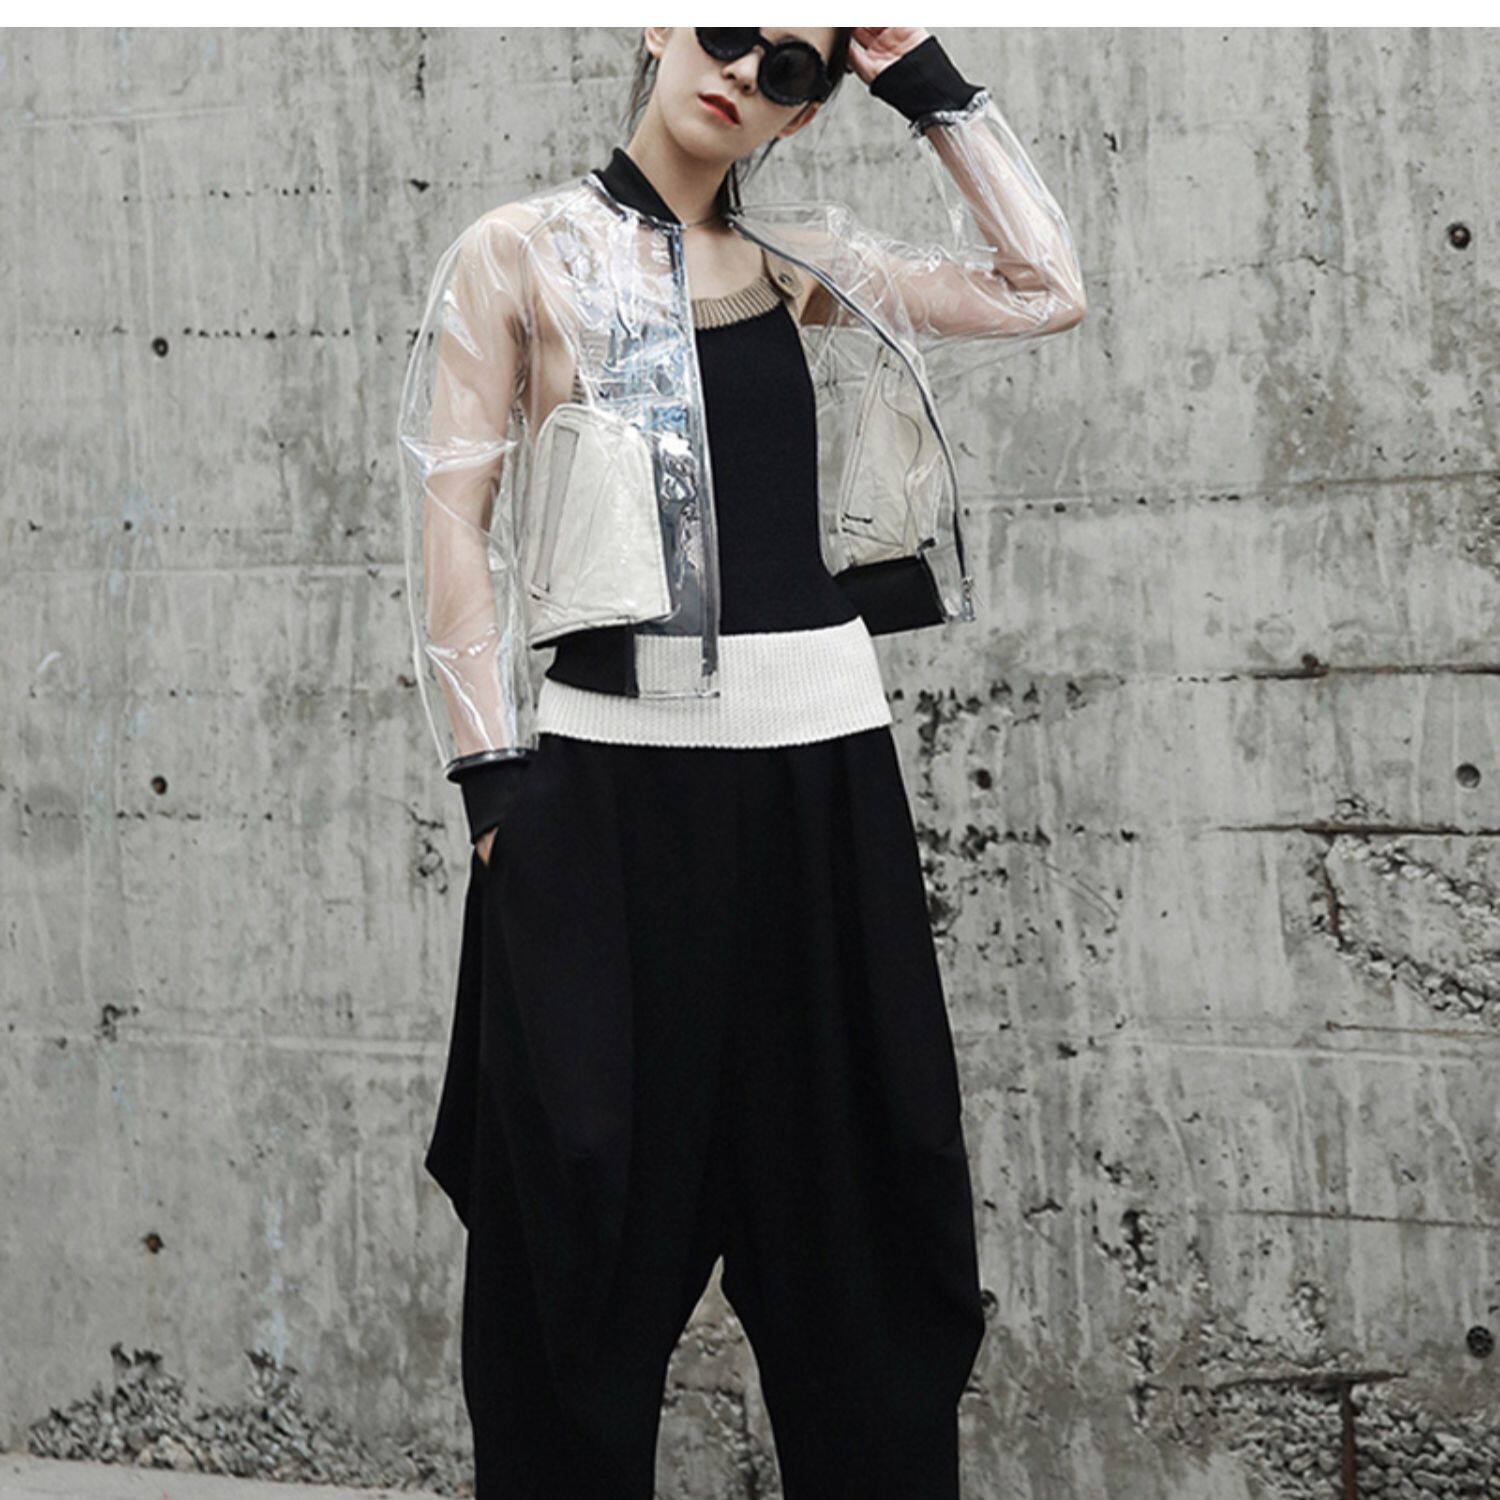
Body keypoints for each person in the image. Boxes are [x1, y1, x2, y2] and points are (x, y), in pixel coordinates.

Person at [396, 26, 1085, 1498]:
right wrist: (493, 783)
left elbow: (1045, 289)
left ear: (809, 111)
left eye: (789, 70)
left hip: (822, 792)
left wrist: (926, 86)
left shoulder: (799, 261)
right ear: (659, 25)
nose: (742, 74)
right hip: (604, 803)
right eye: (724, 34)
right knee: (569, 1250)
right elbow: (452, 518)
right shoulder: (519, 252)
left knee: (865, 1240)